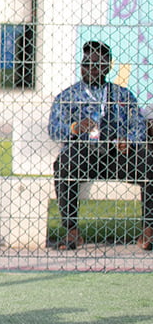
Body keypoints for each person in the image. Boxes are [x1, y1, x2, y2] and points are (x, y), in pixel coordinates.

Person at [47, 41, 152, 251]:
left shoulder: (122, 95)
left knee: (149, 162)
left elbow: (139, 126)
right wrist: (75, 128)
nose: (90, 69)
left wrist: (128, 141)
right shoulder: (68, 97)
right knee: (64, 165)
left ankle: (149, 230)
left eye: (96, 65)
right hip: (85, 153)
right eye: (86, 64)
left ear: (107, 67)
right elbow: (54, 128)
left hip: (119, 155)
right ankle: (72, 231)